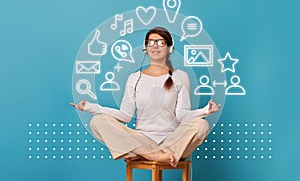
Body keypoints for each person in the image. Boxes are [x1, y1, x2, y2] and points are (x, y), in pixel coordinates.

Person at [70, 27, 221, 167]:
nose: (155, 46)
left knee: (202, 126)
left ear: (169, 48)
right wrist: (90, 107)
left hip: (171, 141)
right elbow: (125, 115)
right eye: (151, 42)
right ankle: (151, 154)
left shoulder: (180, 76)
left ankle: (144, 154)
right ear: (146, 48)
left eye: (161, 42)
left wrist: (205, 110)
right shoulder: (134, 78)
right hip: (142, 140)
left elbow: (182, 115)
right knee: (97, 121)